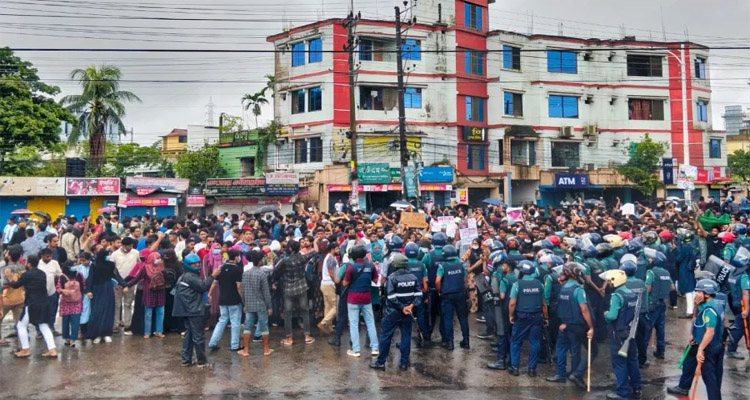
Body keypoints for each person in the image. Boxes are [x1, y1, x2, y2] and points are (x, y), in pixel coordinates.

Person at [667, 279, 724, 400]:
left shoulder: (710, 310)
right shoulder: (711, 304)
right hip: (698, 342)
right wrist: (693, 334)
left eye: (699, 291)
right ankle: (683, 387)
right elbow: (696, 320)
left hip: (707, 346)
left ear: (707, 294)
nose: (696, 294)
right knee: (689, 361)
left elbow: (710, 332)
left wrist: (700, 350)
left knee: (709, 377)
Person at [546, 262, 594, 390]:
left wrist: (563, 322)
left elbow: (561, 307)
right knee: (575, 351)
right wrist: (591, 326)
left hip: (564, 324)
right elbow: (584, 309)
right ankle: (575, 374)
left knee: (561, 349)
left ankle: (560, 374)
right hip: (576, 325)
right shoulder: (578, 290)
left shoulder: (564, 288)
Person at [370, 253, 422, 371]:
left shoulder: (392, 278)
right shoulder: (413, 277)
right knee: (406, 336)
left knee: (386, 336)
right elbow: (419, 295)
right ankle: (404, 363)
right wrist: (410, 306)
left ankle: (380, 362)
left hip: (393, 312)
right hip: (407, 312)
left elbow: (391, 296)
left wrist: (402, 307)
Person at [4, 254, 57, 358]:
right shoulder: (42, 273)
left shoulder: (27, 275)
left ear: (29, 263)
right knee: (44, 326)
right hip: (44, 302)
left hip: (32, 303)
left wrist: (10, 277)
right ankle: (52, 350)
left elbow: (15, 285)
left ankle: (25, 349)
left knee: (21, 325)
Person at [174, 253, 221, 368]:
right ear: (188, 265)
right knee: (198, 336)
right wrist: (213, 276)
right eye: (193, 264)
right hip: (194, 310)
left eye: (197, 264)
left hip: (188, 309)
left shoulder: (185, 276)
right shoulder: (191, 276)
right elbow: (203, 286)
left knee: (189, 335)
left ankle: (186, 359)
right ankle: (201, 361)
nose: (196, 266)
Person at [600, 269, 641, 400]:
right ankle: (636, 387)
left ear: (614, 282)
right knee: (632, 360)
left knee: (619, 362)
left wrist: (606, 314)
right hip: (631, 332)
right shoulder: (632, 294)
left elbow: (612, 316)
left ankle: (622, 392)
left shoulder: (617, 296)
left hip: (618, 334)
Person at [508, 260, 547, 377]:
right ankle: (532, 369)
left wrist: (510, 315)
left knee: (516, 341)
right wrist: (546, 317)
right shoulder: (539, 284)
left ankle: (514, 367)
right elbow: (544, 304)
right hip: (536, 316)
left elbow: (512, 303)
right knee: (535, 342)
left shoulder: (517, 284)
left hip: (522, 317)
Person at [273, 240, 315, 346]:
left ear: (290, 248)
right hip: (302, 287)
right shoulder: (302, 258)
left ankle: (289, 337)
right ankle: (307, 336)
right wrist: (310, 245)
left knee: (288, 313)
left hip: (288, 288)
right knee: (305, 311)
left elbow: (275, 270)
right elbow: (313, 253)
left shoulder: (284, 260)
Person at [343, 244, 379, 357]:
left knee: (354, 323)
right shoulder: (371, 266)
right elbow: (375, 279)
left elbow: (345, 283)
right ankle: (375, 348)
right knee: (370, 322)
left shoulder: (351, 267)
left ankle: (356, 350)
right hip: (366, 297)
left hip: (353, 298)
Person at [86, 248, 128, 344]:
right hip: (97, 290)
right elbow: (90, 278)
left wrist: (124, 284)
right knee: (97, 311)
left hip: (108, 289)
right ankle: (97, 334)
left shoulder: (111, 265)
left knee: (108, 311)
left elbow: (117, 276)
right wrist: (88, 290)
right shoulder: (94, 265)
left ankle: (106, 334)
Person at [239, 250, 274, 357]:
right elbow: (266, 292)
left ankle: (246, 350)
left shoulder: (245, 274)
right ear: (259, 261)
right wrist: (269, 306)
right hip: (261, 304)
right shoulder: (262, 274)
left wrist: (244, 304)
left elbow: (243, 290)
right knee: (264, 326)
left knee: (248, 327)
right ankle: (266, 349)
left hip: (249, 304)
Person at [207, 249, 243, 352]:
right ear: (236, 257)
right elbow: (239, 286)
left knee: (222, 320)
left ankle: (212, 342)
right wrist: (242, 298)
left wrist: (209, 294)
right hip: (234, 299)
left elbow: (214, 283)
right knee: (235, 322)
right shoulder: (237, 270)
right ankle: (234, 345)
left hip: (222, 299)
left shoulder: (221, 268)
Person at [436, 244, 470, 351]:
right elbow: (465, 279)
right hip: (460, 294)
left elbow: (437, 281)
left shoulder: (442, 266)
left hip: (447, 295)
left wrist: (439, 291)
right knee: (463, 318)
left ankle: (449, 342)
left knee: (448, 319)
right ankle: (466, 341)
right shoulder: (460, 265)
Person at [126, 252, 167, 339]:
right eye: (157, 258)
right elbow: (137, 278)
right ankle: (147, 332)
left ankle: (159, 331)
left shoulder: (162, 267)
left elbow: (166, 278)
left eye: (159, 258)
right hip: (149, 292)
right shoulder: (145, 268)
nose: (158, 259)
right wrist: (127, 285)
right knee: (148, 313)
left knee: (160, 312)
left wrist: (162, 268)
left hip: (160, 291)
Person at [487, 256, 517, 370]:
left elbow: (502, 296)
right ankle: (510, 359)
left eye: (504, 265)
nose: (502, 267)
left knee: (502, 334)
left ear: (508, 267)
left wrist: (495, 293)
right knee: (511, 334)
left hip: (505, 309)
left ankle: (501, 360)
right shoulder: (517, 278)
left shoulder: (505, 279)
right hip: (515, 310)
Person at [645, 251, 675, 360]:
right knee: (660, 328)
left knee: (647, 328)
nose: (650, 260)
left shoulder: (651, 272)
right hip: (662, 303)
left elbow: (647, 288)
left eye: (652, 259)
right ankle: (661, 351)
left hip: (652, 302)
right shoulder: (666, 272)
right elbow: (672, 288)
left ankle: (643, 355)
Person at [620, 260, 650, 368]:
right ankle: (642, 360)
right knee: (641, 339)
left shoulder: (623, 284)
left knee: (628, 339)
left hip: (628, 316)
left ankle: (628, 361)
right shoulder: (641, 282)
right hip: (641, 315)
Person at [422, 231, 447, 345]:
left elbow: (422, 268)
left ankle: (427, 336)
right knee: (444, 314)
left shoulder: (428, 255)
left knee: (430, 314)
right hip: (445, 289)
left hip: (432, 289)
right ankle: (445, 338)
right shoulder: (448, 254)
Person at [111, 237, 139, 334]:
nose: (129, 247)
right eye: (128, 246)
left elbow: (139, 266)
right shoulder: (115, 255)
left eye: (131, 246)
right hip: (117, 285)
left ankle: (128, 325)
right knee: (116, 305)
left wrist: (130, 282)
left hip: (130, 283)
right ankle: (115, 325)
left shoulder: (135, 253)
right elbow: (112, 270)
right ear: (122, 245)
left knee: (128, 304)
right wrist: (117, 283)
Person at [725, 259, 750, 359]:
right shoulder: (743, 276)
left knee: (742, 326)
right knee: (740, 327)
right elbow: (745, 293)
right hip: (743, 305)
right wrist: (747, 309)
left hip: (735, 304)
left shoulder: (732, 274)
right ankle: (731, 350)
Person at [57, 261, 84, 347]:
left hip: (66, 302)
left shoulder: (62, 277)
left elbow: (58, 288)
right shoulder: (79, 275)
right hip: (77, 302)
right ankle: (73, 339)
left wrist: (63, 291)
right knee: (75, 321)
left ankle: (67, 338)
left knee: (66, 321)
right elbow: (83, 286)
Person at [38, 248, 62, 336]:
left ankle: (51, 327)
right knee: (40, 311)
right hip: (40, 293)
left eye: (50, 256)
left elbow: (60, 274)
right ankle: (39, 331)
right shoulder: (38, 264)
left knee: (52, 310)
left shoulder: (54, 263)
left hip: (52, 291)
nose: (49, 257)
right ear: (42, 256)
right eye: (46, 256)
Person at [317, 241, 338, 333]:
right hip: (329, 284)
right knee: (336, 307)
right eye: (337, 248)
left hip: (325, 284)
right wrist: (336, 282)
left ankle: (328, 328)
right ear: (332, 249)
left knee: (328, 307)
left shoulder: (329, 258)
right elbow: (331, 272)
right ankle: (324, 323)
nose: (338, 250)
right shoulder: (331, 259)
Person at [71, 252, 92, 341]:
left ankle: (90, 331)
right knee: (83, 311)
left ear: (89, 259)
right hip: (82, 293)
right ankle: (82, 331)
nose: (83, 262)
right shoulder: (79, 268)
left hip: (92, 292)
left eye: (84, 260)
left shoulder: (93, 267)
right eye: (81, 260)